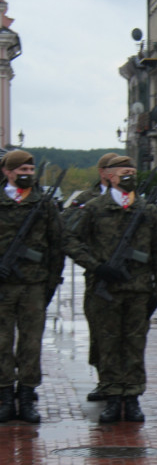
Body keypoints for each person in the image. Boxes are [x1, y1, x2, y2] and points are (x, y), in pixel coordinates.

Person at [64, 156, 157, 423]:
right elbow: (71, 240)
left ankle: (132, 398)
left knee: (134, 344)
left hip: (138, 288)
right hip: (105, 288)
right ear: (108, 176)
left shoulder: (147, 210)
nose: (129, 176)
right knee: (109, 343)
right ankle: (112, 397)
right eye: (123, 172)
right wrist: (97, 267)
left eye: (133, 172)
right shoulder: (95, 208)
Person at [0, 150, 64, 424]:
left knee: (31, 342)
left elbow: (56, 245)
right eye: (21, 169)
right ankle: (4, 396)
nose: (27, 173)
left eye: (30, 168)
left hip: (33, 283)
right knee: (2, 342)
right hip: (3, 284)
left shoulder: (43, 204)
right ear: (7, 172)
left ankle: (26, 396)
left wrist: (50, 282)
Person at [66, 152, 118, 403]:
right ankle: (103, 380)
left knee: (125, 334)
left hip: (127, 279)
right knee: (99, 331)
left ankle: (124, 385)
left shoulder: (132, 200)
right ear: (102, 173)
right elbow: (69, 233)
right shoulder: (86, 200)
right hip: (98, 277)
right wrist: (93, 262)